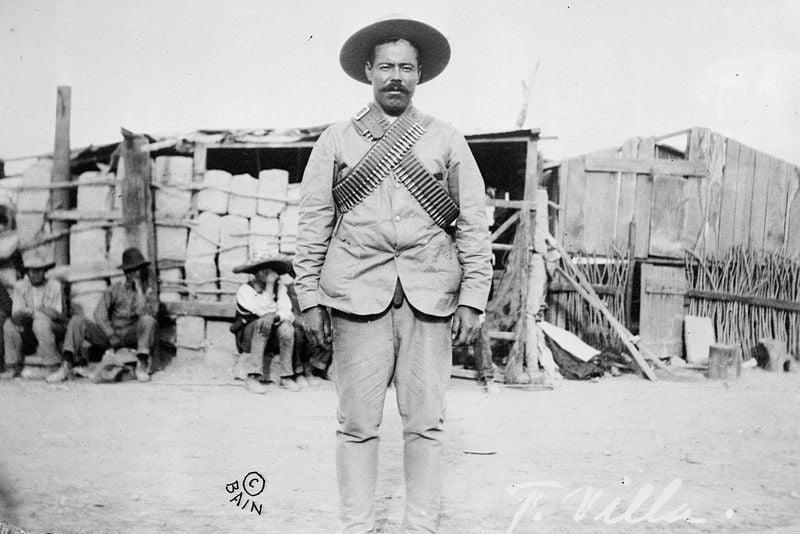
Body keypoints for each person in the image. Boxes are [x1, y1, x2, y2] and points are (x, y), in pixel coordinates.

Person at [294, 17, 492, 533]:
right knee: (357, 425)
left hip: (430, 297)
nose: (396, 77)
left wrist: (473, 297)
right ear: (368, 71)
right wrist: (308, 297)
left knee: (426, 425)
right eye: (386, 67)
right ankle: (357, 527)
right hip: (356, 296)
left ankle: (420, 526)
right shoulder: (337, 140)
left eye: (406, 67)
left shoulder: (446, 139)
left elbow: (473, 223)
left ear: (420, 74)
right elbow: (313, 223)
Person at [47, 247, 158, 383]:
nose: (136, 274)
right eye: (132, 270)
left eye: (139, 270)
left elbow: (150, 316)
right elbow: (99, 314)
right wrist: (111, 334)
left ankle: (141, 365)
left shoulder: (148, 291)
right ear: (126, 272)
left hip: (132, 336)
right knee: (77, 321)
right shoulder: (115, 289)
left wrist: (140, 290)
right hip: (112, 335)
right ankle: (66, 366)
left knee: (148, 320)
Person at [230, 251, 301, 394]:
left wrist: (275, 317)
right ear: (254, 272)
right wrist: (269, 286)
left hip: (271, 336)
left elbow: (287, 311)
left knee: (287, 327)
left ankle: (286, 376)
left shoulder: (280, 288)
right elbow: (261, 312)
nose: (266, 273)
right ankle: (253, 376)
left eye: (269, 269)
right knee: (262, 323)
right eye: (261, 270)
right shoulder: (246, 290)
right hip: (249, 338)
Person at [0, 248, 65, 379]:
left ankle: (52, 365)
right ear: (27, 272)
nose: (36, 274)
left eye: (39, 270)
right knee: (9, 324)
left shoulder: (54, 285)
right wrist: (34, 312)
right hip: (30, 326)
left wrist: (33, 312)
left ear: (44, 271)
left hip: (54, 327)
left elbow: (56, 314)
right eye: (32, 271)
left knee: (40, 322)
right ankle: (12, 366)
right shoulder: (21, 286)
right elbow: (17, 313)